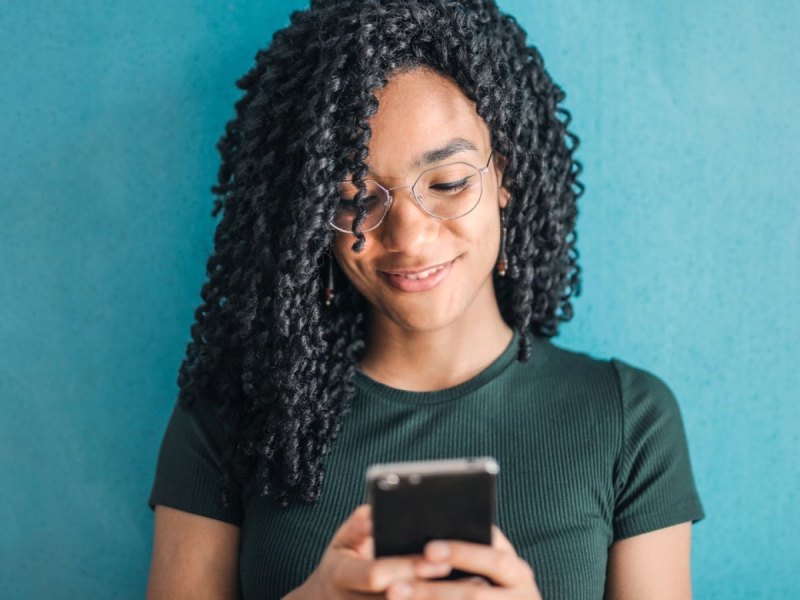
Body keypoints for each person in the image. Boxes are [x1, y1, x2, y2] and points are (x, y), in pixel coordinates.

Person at [145, 1, 705, 598]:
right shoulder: (228, 416)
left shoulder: (627, 419)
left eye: (448, 183)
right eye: (355, 199)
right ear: (314, 216)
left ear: (505, 177)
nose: (409, 238)